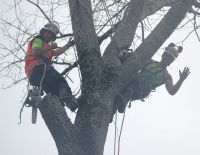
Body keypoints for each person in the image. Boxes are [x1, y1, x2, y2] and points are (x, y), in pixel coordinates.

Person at [115, 43, 190, 113]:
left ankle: (124, 99)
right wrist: (126, 54)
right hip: (131, 82)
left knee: (139, 77)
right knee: (133, 70)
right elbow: (135, 59)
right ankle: (116, 106)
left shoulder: (166, 76)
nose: (168, 60)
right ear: (163, 55)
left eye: (170, 59)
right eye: (167, 56)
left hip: (142, 90)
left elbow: (172, 91)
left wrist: (181, 80)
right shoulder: (150, 62)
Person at [24, 23, 78, 111]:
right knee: (60, 81)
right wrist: (51, 47)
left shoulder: (48, 49)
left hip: (36, 77)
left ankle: (59, 107)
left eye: (52, 35)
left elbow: (58, 51)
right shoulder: (38, 39)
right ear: (43, 32)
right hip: (39, 68)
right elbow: (35, 51)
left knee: (54, 94)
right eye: (48, 33)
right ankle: (68, 99)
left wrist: (69, 44)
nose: (49, 36)